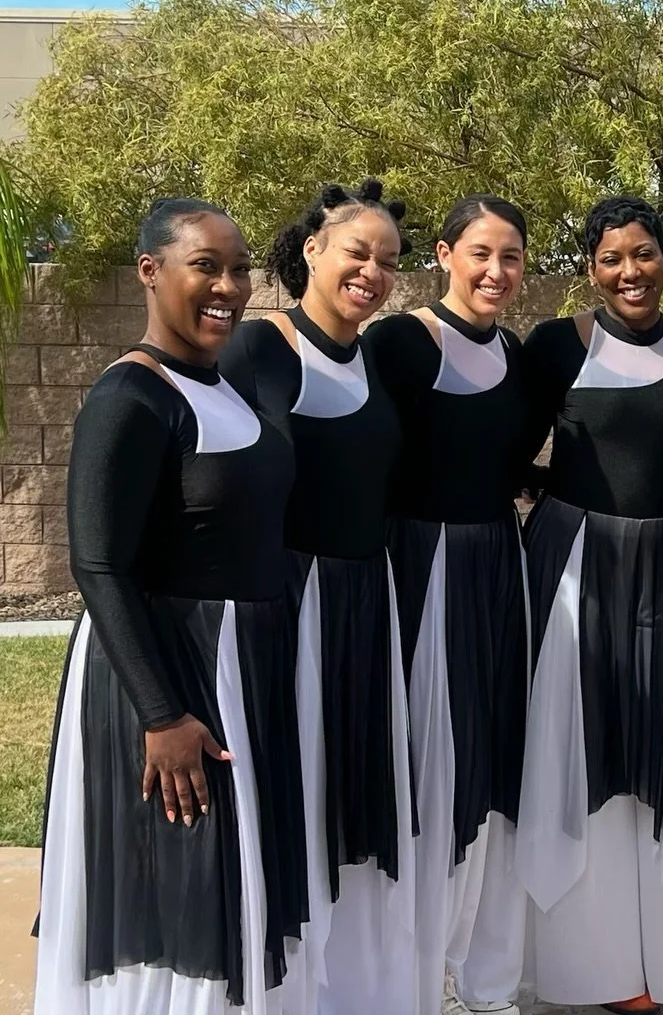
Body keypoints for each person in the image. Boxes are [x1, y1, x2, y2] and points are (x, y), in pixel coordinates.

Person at [35, 199, 304, 1013]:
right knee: (178, 897)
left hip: (235, 668)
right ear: (151, 271)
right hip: (168, 681)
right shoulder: (131, 396)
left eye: (239, 268)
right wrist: (162, 714)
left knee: (231, 886)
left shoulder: (221, 385)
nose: (229, 285)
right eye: (206, 266)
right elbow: (99, 564)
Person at [516, 196, 663, 1014]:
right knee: (574, 751)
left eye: (642, 254)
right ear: (590, 269)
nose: (628, 272)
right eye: (610, 259)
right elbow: (506, 445)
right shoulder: (558, 345)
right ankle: (588, 966)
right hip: (573, 568)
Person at [219, 179, 414, 1014]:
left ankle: (350, 984)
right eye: (356, 252)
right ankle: (283, 987)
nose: (371, 272)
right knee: (290, 795)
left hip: (367, 601)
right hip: (286, 608)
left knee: (349, 797)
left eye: (387, 262)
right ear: (312, 251)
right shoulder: (258, 348)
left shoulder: (382, 356)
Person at [365, 195, 533, 1015]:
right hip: (415, 569)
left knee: (487, 759)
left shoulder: (521, 355)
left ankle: (476, 962)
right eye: (481, 253)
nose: (496, 272)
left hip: (499, 568)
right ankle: (411, 962)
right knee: (425, 762)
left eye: (511, 257)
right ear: (443, 254)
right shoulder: (400, 341)